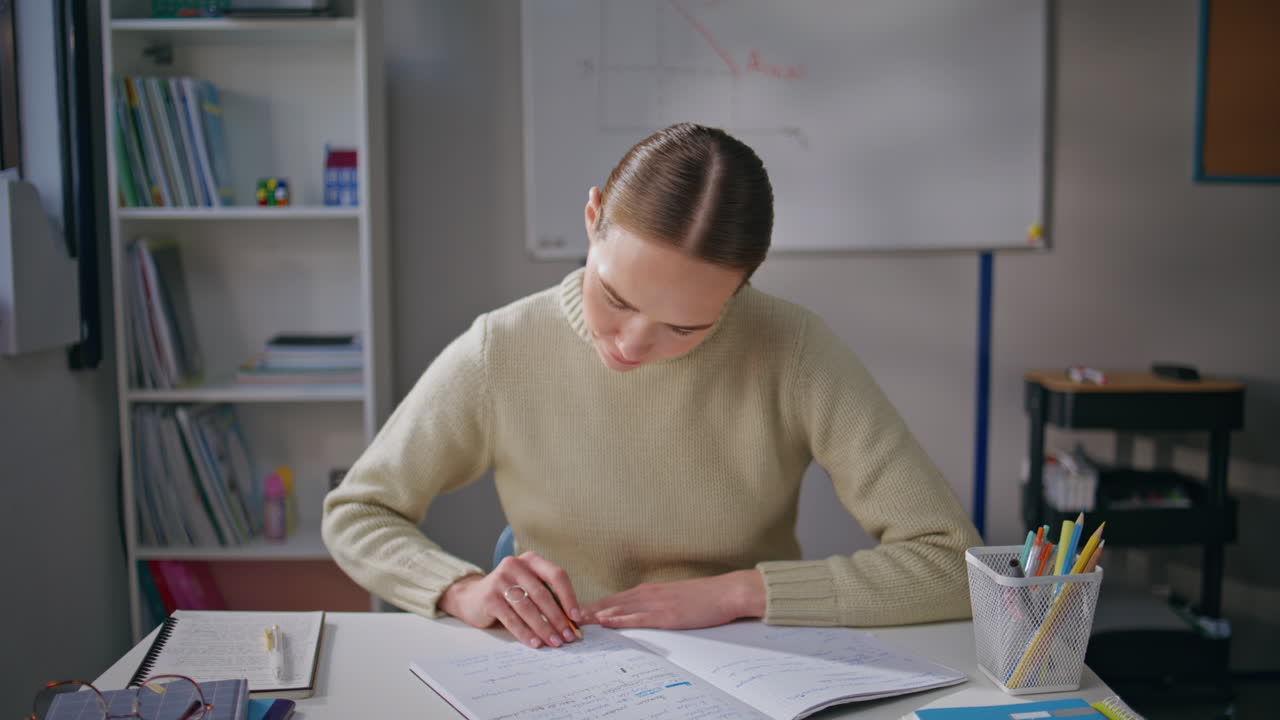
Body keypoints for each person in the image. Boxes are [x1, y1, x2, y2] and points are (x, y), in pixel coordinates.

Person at [322, 122, 983, 651]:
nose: (633, 344)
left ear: (740, 286)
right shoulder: (504, 347)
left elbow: (953, 562)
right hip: (559, 663)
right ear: (591, 217)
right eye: (613, 296)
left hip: (753, 663)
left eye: (685, 326)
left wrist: (739, 594)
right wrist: (459, 588)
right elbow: (357, 512)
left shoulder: (794, 349)